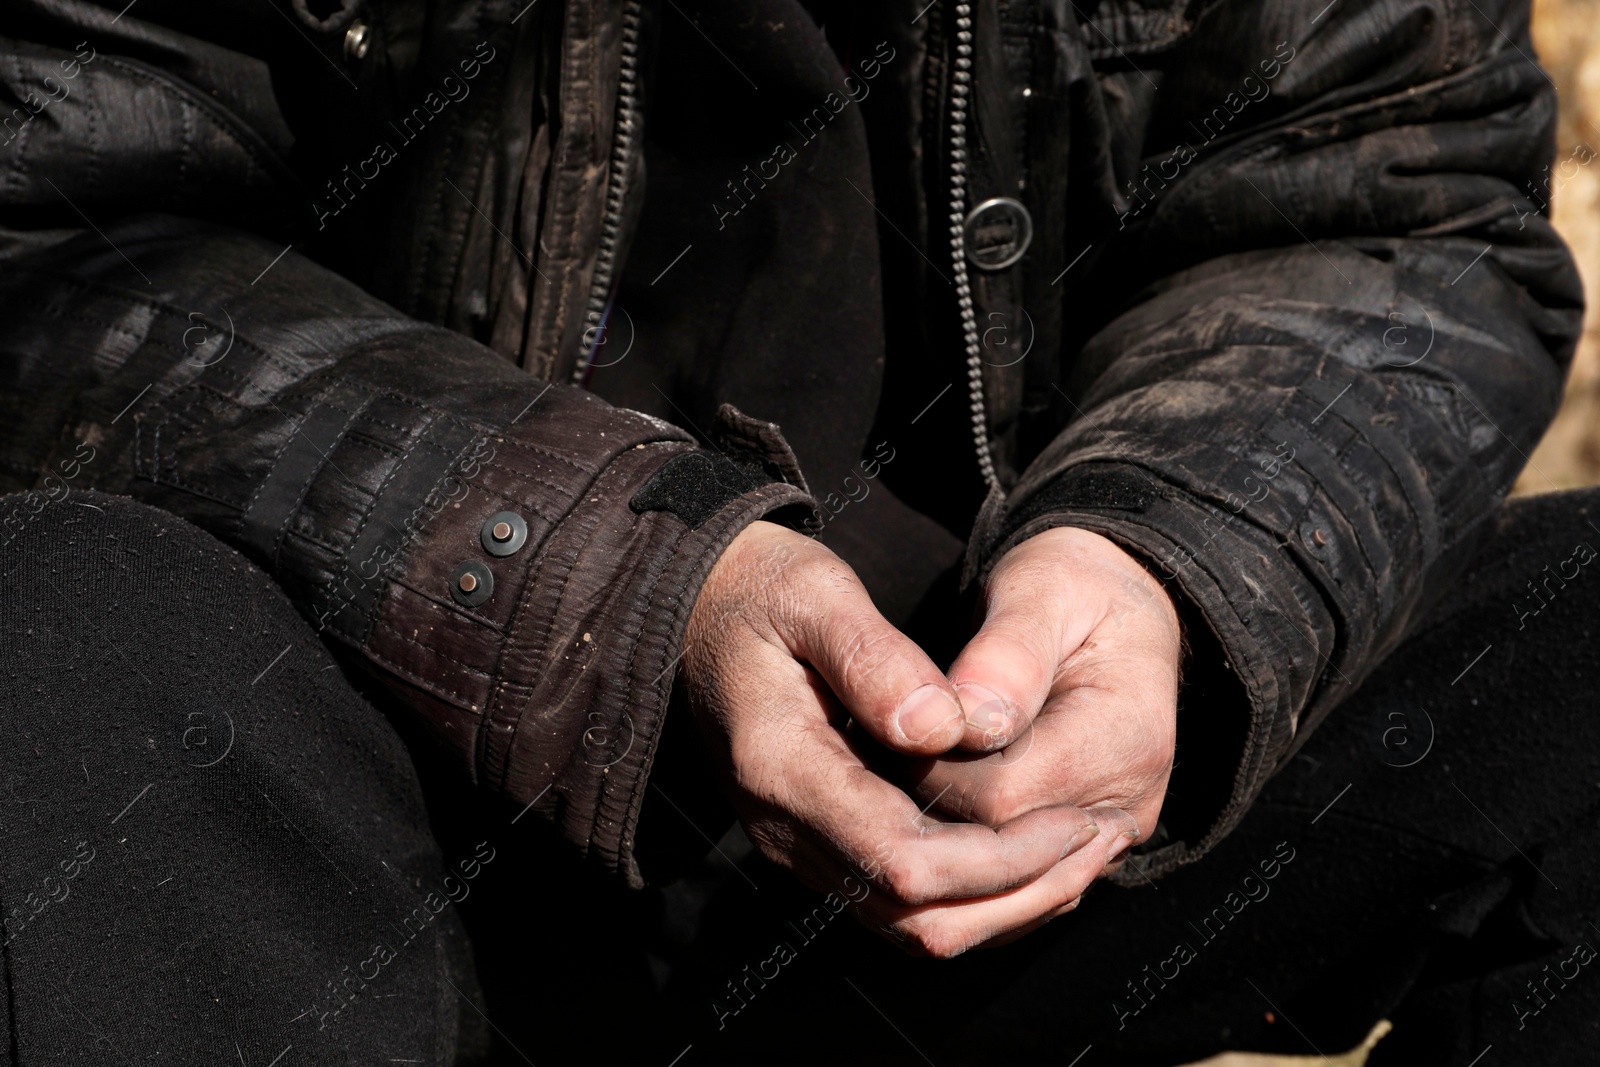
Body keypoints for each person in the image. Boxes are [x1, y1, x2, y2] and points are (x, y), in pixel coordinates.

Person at [0, 0, 1594, 1063]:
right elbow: (58, 228)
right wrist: (623, 588)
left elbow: (1396, 206)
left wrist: (1167, 560)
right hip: (381, 801)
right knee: (57, 631)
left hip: (1023, 801)